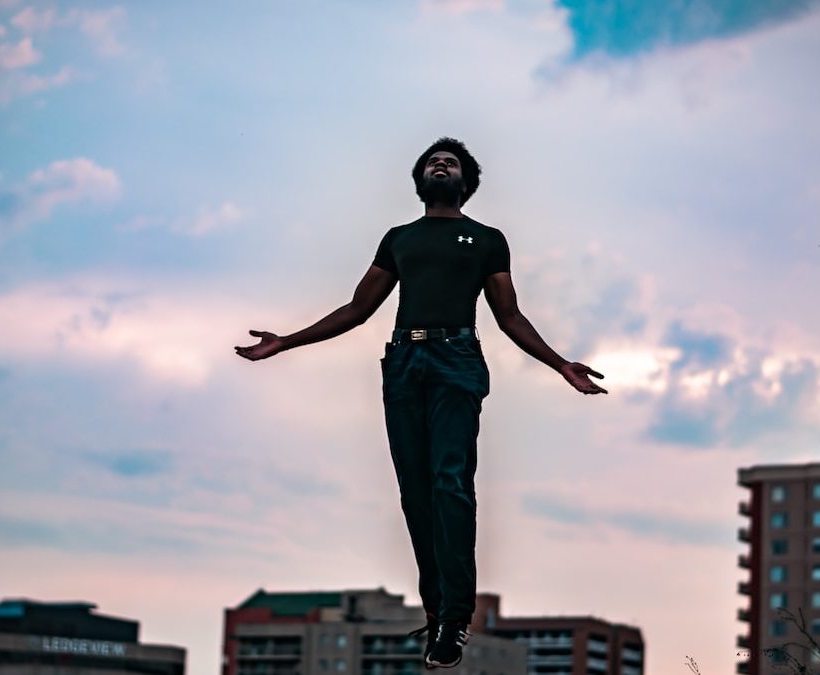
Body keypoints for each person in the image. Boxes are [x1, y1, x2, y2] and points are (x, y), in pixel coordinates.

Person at [236, 137, 606, 669]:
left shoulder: (486, 240)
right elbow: (359, 308)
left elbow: (509, 315)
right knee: (416, 495)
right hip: (403, 366)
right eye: (434, 160)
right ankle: (439, 618)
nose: (441, 164)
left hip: (456, 359)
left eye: (451, 162)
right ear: (420, 178)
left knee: (449, 483)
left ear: (465, 182)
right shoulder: (398, 239)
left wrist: (559, 363)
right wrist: (287, 341)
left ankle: (456, 618)